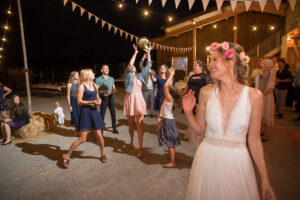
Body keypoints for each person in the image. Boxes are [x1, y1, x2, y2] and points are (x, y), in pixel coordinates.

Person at [183, 42, 275, 200]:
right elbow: (199, 131)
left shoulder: (255, 96)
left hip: (237, 163)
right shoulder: (206, 92)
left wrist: (265, 179)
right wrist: (188, 112)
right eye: (210, 60)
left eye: (215, 60)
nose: (210, 64)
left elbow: (254, 140)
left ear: (231, 61)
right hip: (207, 160)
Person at [62, 69, 107, 168]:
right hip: (86, 112)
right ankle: (67, 155)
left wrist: (98, 100)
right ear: (87, 75)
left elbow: (97, 97)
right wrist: (92, 102)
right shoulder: (81, 86)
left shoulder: (95, 85)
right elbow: (79, 101)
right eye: (92, 73)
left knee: (99, 135)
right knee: (82, 139)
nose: (94, 74)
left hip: (94, 112)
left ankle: (103, 154)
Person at [123, 44, 153, 158]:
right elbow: (130, 64)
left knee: (140, 125)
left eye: (134, 67)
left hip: (139, 100)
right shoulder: (127, 76)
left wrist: (149, 53)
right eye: (132, 66)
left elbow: (148, 65)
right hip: (130, 99)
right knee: (131, 126)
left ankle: (140, 148)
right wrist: (135, 53)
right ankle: (131, 140)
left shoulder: (140, 75)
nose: (133, 66)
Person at [180, 60, 213, 144]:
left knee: (200, 117)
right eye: (193, 65)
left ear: (200, 67)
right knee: (191, 116)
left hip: (200, 99)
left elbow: (210, 88)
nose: (193, 66)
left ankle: (201, 134)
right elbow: (187, 87)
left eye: (195, 65)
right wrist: (181, 94)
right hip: (191, 98)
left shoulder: (206, 76)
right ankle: (191, 133)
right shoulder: (191, 76)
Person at [158, 67, 181, 168]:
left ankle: (173, 162)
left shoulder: (169, 98)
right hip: (167, 120)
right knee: (170, 142)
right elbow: (169, 85)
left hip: (168, 121)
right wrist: (171, 75)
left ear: (169, 92)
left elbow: (166, 85)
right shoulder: (170, 98)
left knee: (170, 143)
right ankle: (173, 159)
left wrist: (171, 75)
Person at [254, 59, 276, 142]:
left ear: (269, 66)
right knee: (260, 115)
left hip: (266, 97)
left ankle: (267, 133)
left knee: (266, 114)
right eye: (262, 64)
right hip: (259, 97)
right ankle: (262, 130)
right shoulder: (259, 73)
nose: (262, 65)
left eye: (265, 64)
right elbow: (256, 85)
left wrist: (262, 94)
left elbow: (271, 87)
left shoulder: (271, 74)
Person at [96, 65, 119, 134]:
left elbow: (114, 88)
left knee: (113, 113)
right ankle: (101, 129)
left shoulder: (111, 78)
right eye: (105, 68)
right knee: (102, 114)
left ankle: (114, 128)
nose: (107, 69)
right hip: (103, 98)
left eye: (108, 68)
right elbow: (97, 91)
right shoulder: (98, 79)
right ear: (101, 70)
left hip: (111, 97)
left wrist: (113, 91)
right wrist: (105, 91)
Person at [139, 53, 156, 118]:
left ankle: (151, 113)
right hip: (145, 89)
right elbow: (140, 64)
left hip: (152, 89)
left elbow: (155, 81)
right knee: (145, 102)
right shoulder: (144, 70)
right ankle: (144, 112)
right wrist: (143, 58)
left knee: (152, 102)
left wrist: (156, 88)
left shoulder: (153, 71)